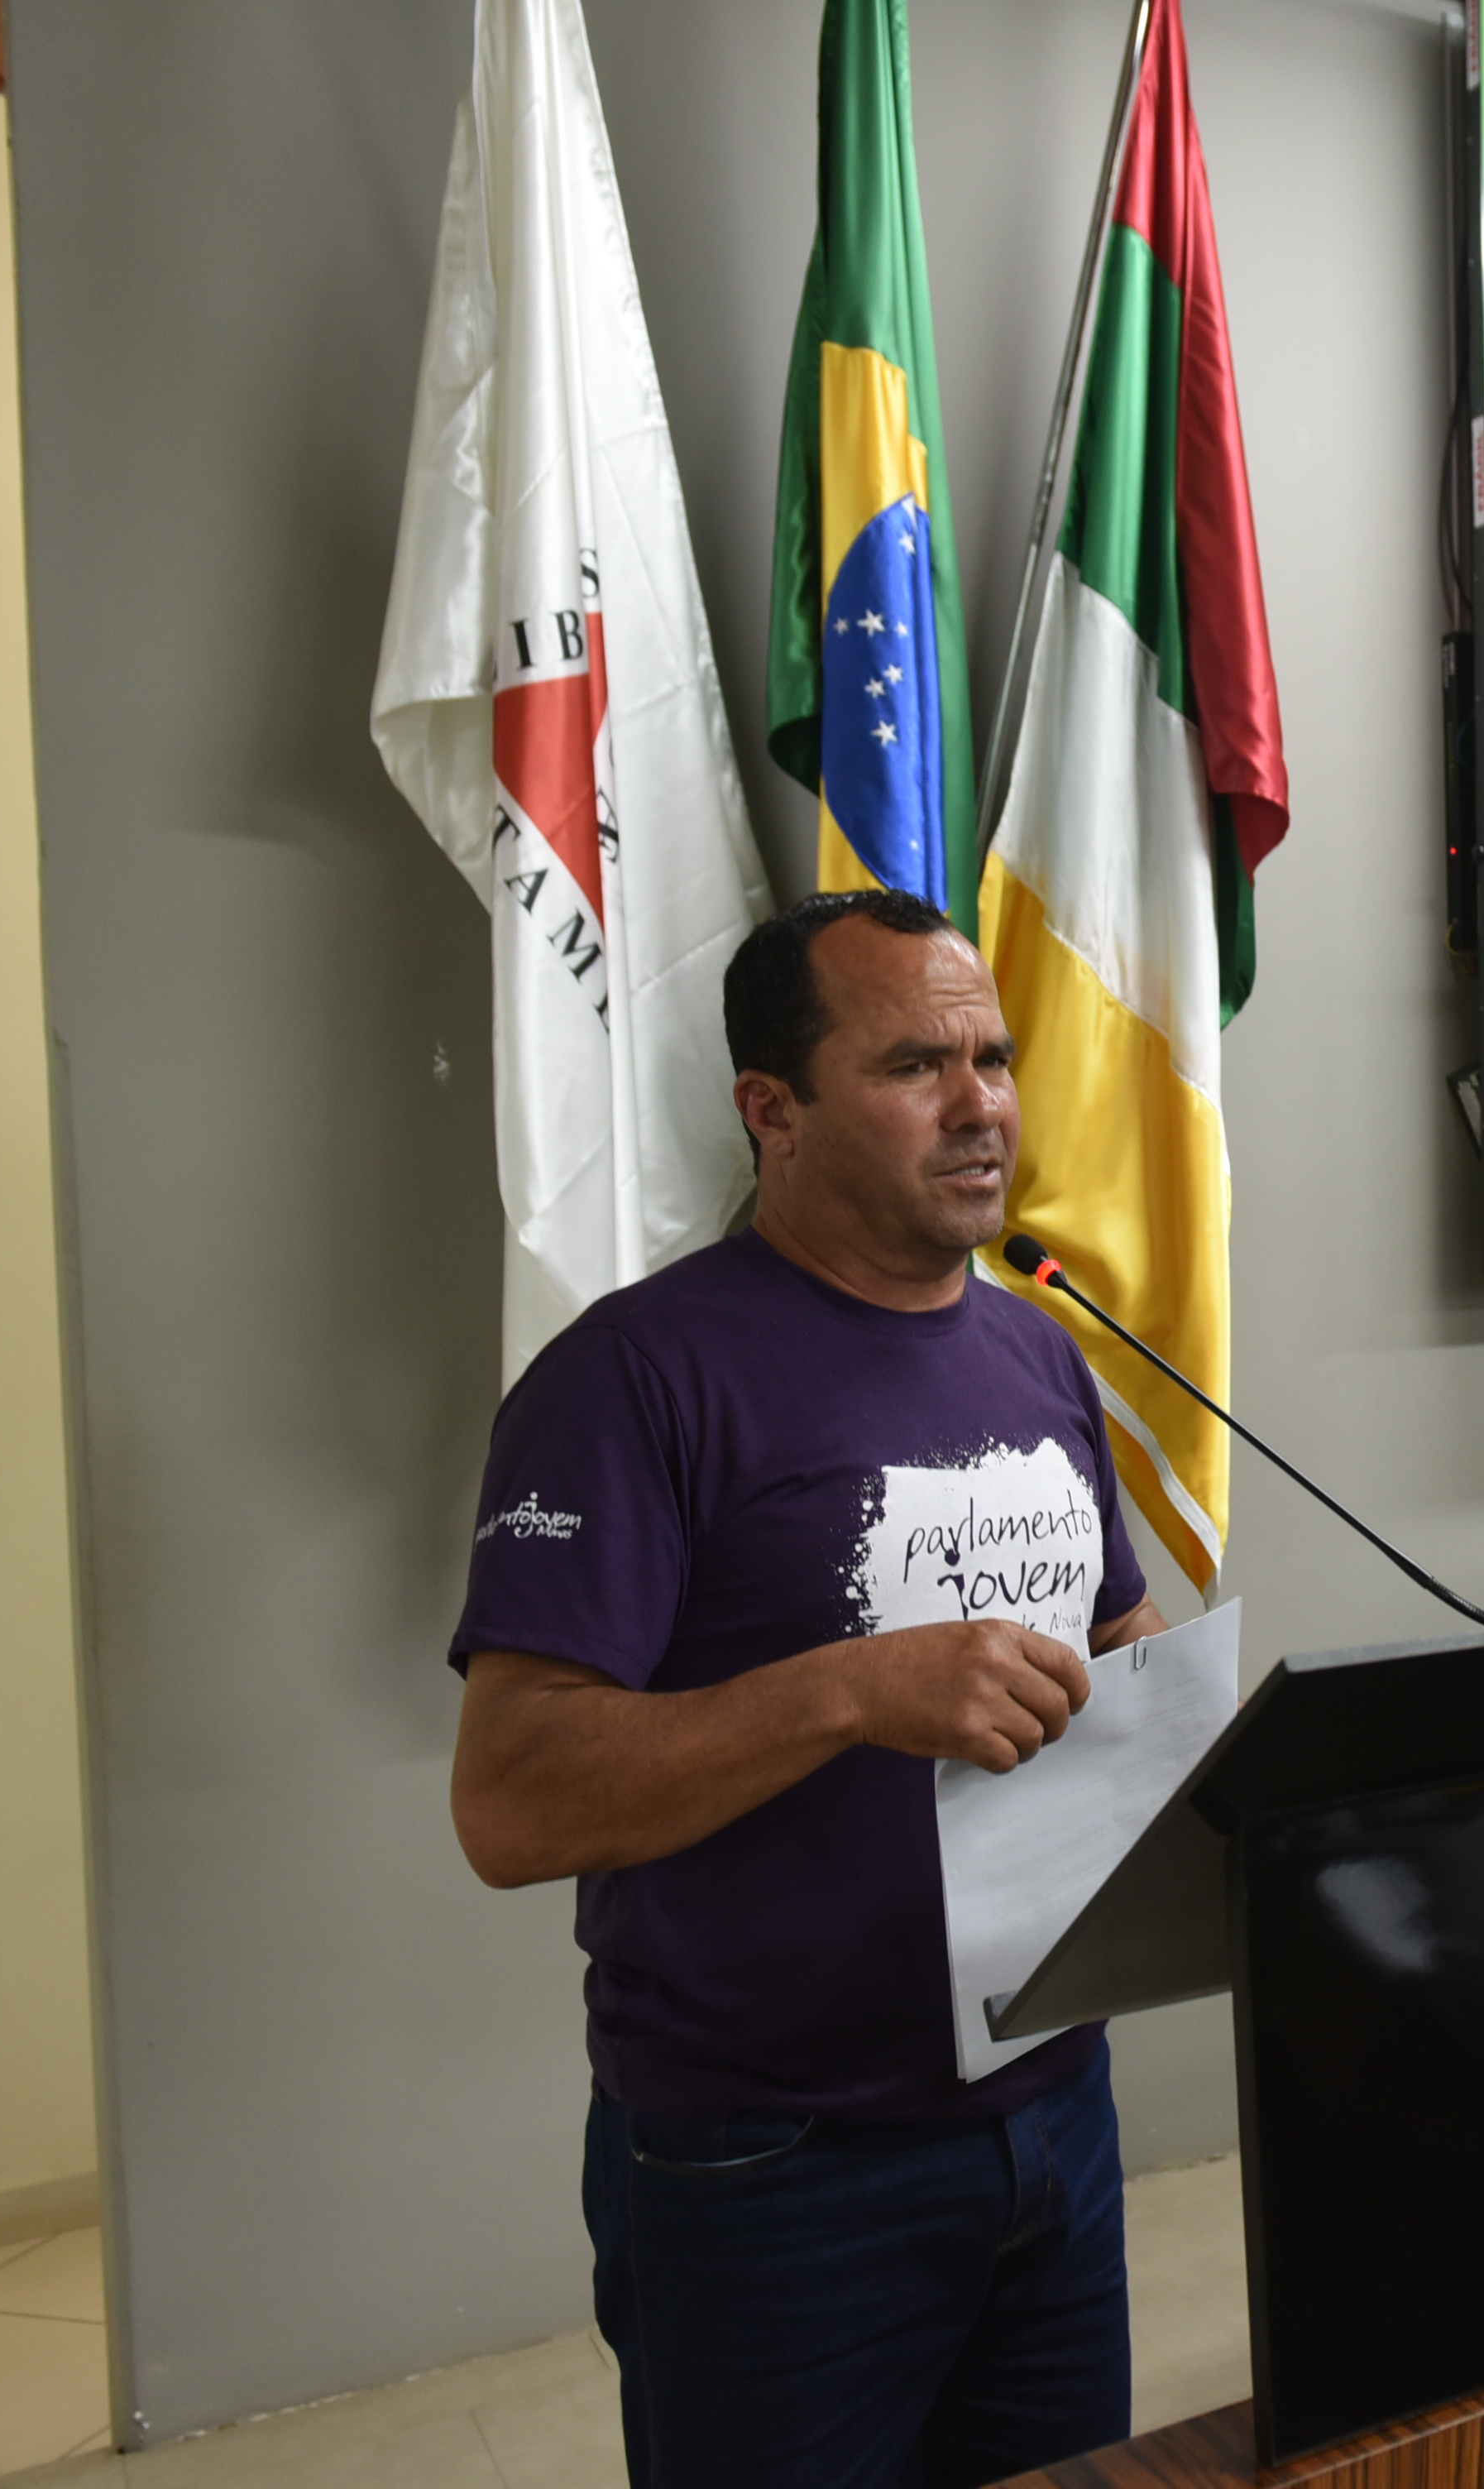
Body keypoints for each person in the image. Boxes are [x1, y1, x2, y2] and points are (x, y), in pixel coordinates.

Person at [445, 889, 1163, 2489]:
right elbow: (508, 1800)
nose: (980, 1102)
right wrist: (848, 1690)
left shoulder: (1042, 1357)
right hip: (777, 2163)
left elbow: (1110, 1648)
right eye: (918, 1063)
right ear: (772, 1110)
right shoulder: (631, 1379)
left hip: (1053, 2114)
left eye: (993, 1056)